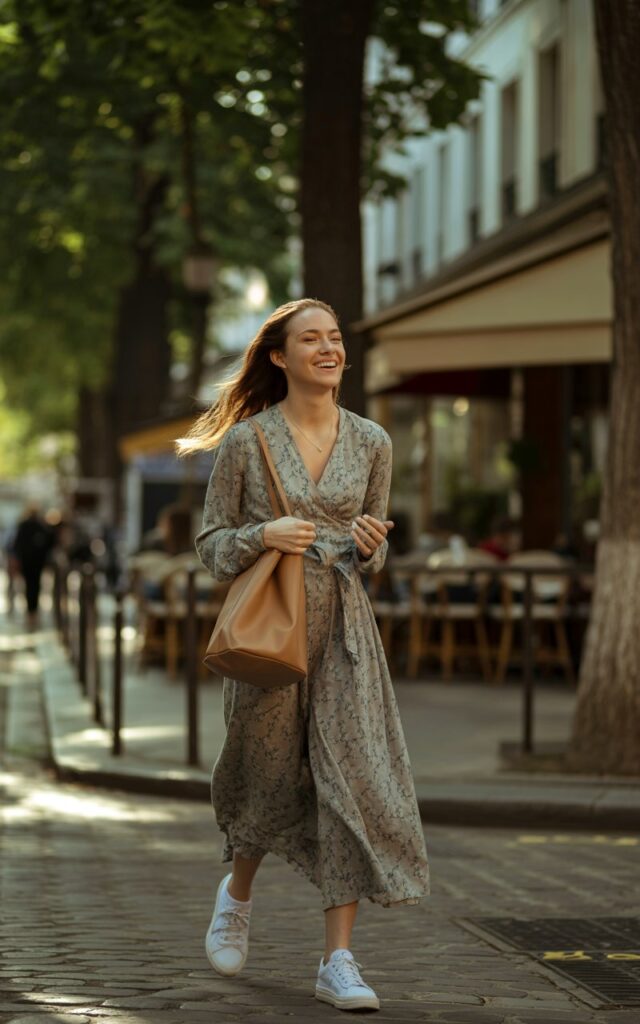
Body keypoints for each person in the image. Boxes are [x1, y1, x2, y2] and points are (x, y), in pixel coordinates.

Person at [177, 298, 430, 1012]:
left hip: (345, 635)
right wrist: (264, 535)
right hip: (271, 634)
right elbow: (210, 547)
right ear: (280, 357)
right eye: (310, 339)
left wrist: (370, 547)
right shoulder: (246, 441)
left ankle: (338, 960)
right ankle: (238, 892)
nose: (328, 348)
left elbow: (366, 548)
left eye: (336, 338)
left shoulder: (373, 441)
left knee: (352, 782)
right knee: (265, 774)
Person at [11, 503, 55, 628]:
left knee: (30, 586)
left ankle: (31, 611)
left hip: (30, 562)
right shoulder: (39, 526)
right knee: (34, 586)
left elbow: (17, 545)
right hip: (35, 562)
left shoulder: (28, 526)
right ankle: (32, 611)